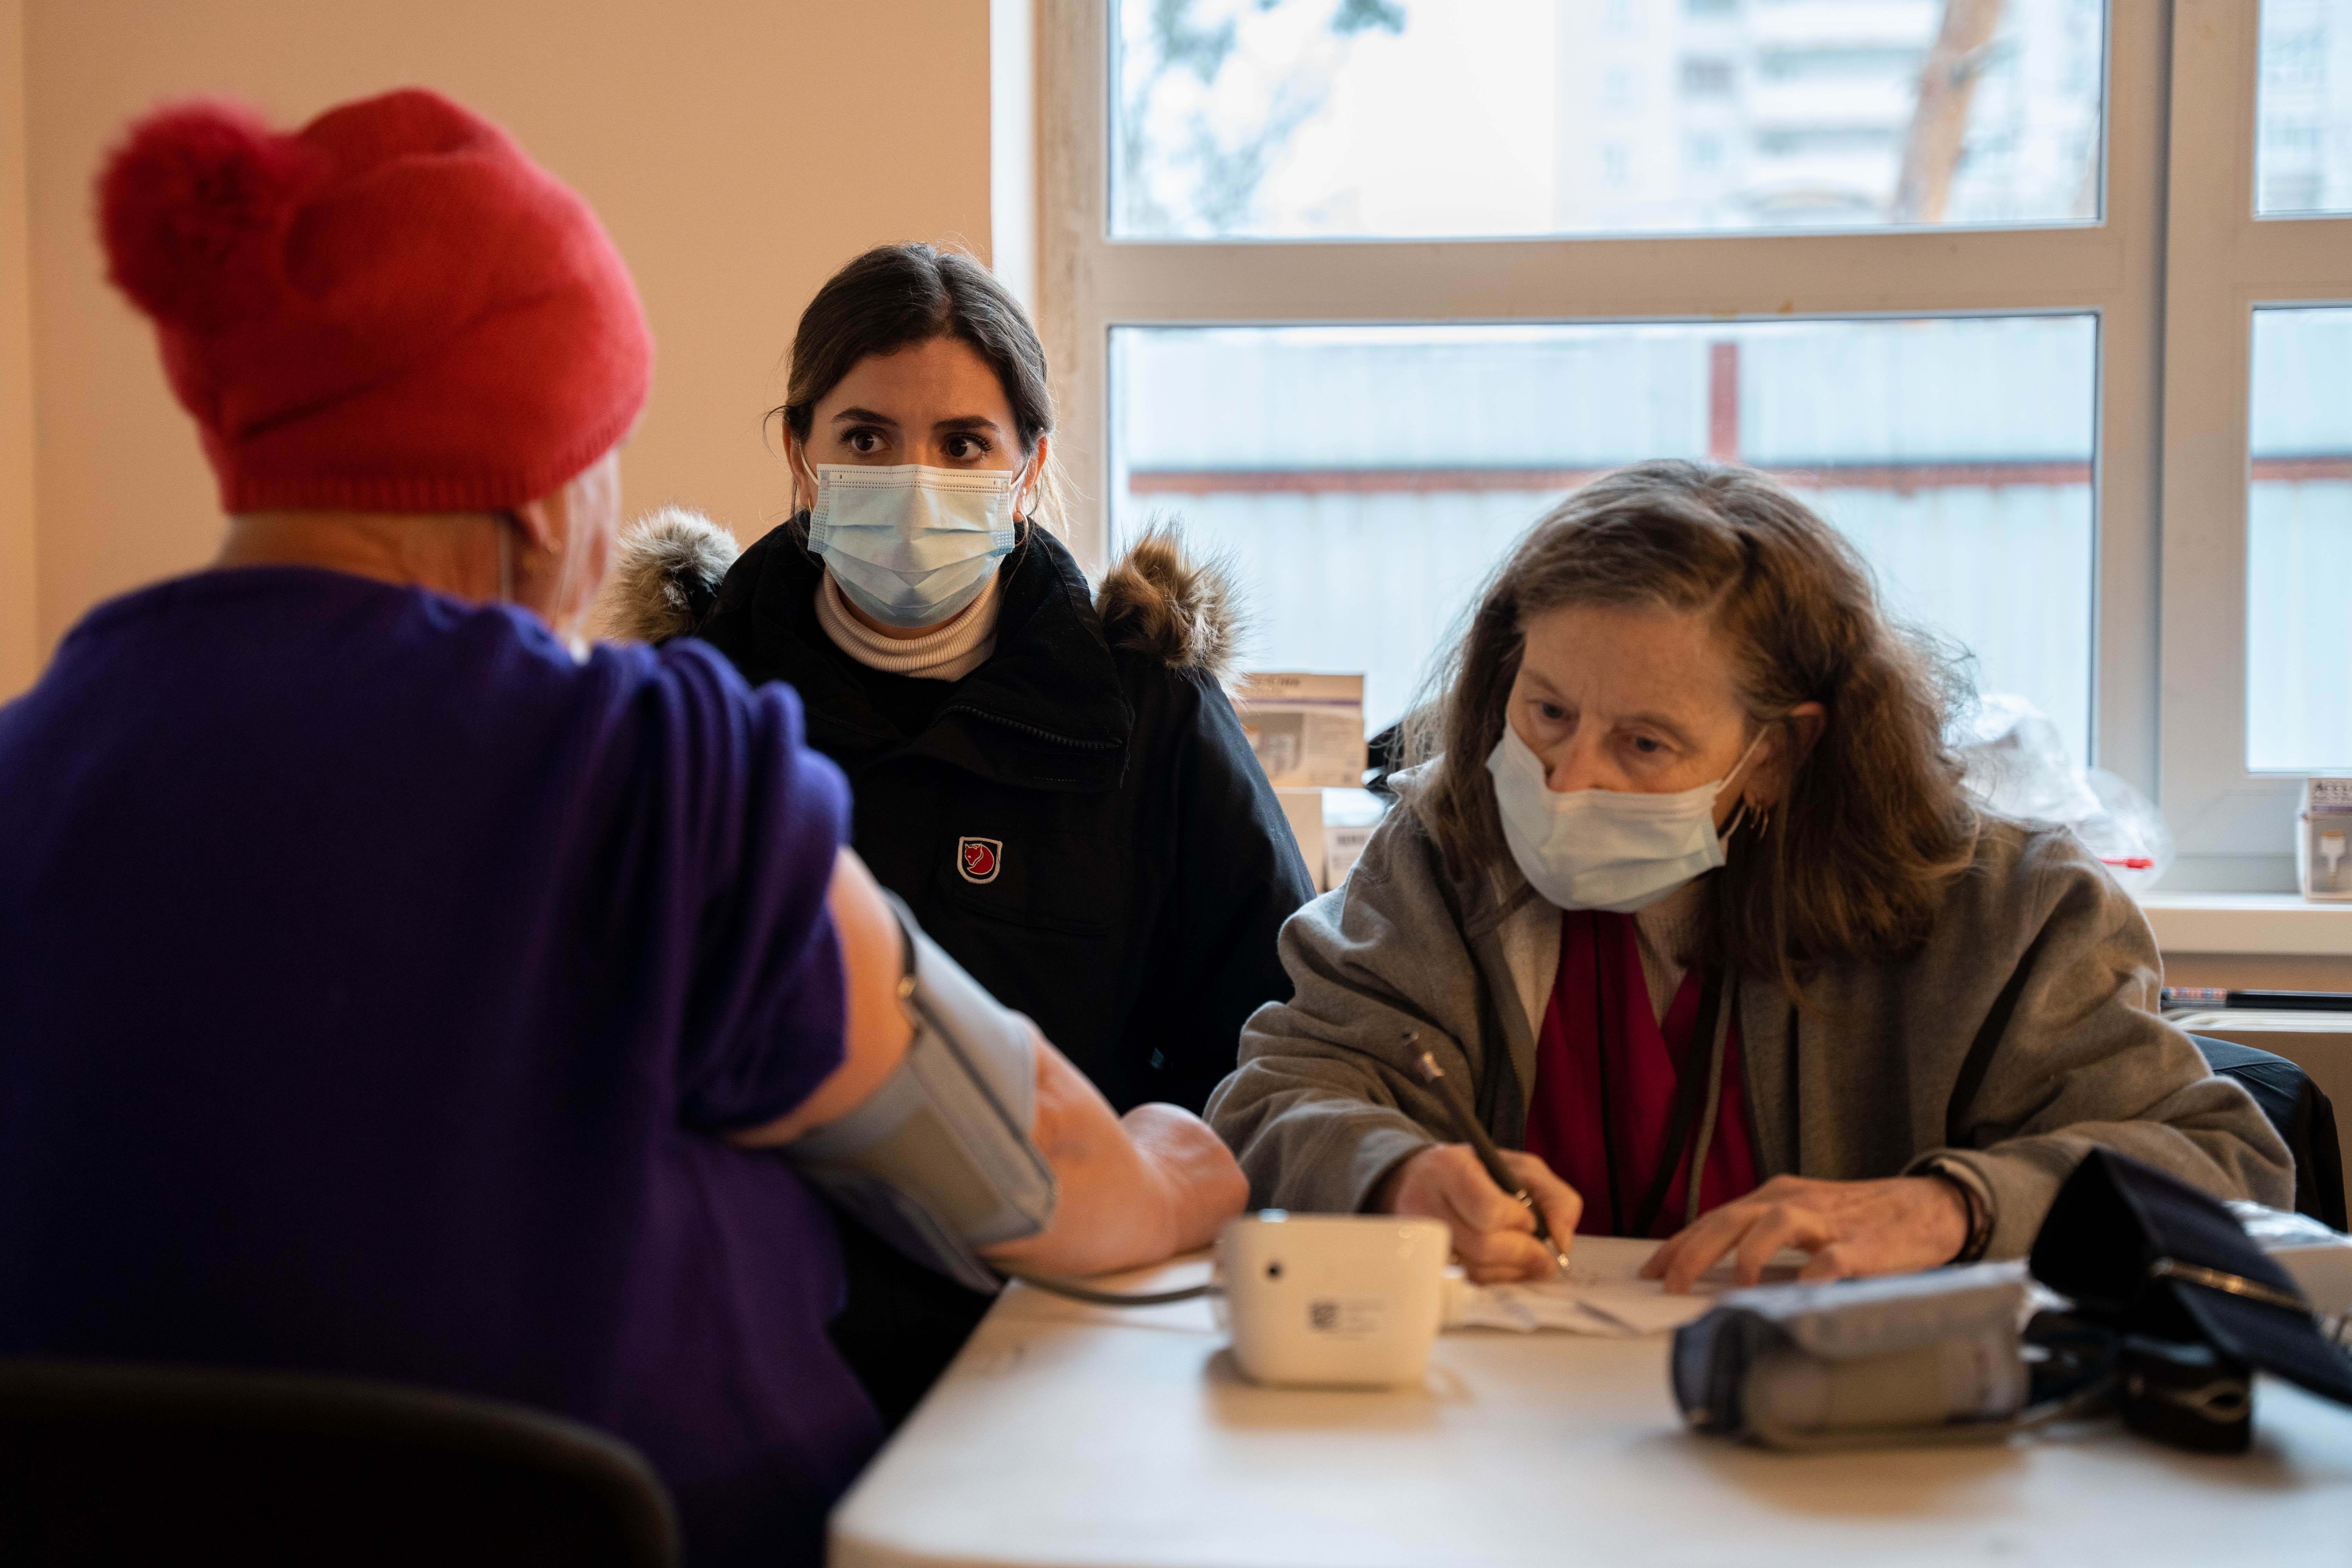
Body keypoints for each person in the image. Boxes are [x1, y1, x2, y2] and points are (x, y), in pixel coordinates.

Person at [0, 90, 1243, 1567]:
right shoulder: (650, 767)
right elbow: (1025, 1155)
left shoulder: (34, 759)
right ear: (540, 495)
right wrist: (1179, 1165)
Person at [1207, 460, 2292, 1293]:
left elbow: (2225, 1165)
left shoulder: (2007, 907)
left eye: (1642, 744)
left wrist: (1948, 1208)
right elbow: (1270, 1097)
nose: (1563, 776)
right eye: (1545, 712)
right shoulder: (1450, 846)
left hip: (1865, 1450)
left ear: (1775, 751)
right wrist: (1391, 1171)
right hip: (1515, 1418)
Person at [598, 242, 1316, 1419]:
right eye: (868, 438)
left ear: (1026, 467)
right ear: (800, 453)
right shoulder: (694, 712)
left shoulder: (1147, 712)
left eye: (963, 444)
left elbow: (1265, 1031)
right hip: (744, 1330)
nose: (914, 477)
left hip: (1065, 1322)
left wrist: (1142, 1203)